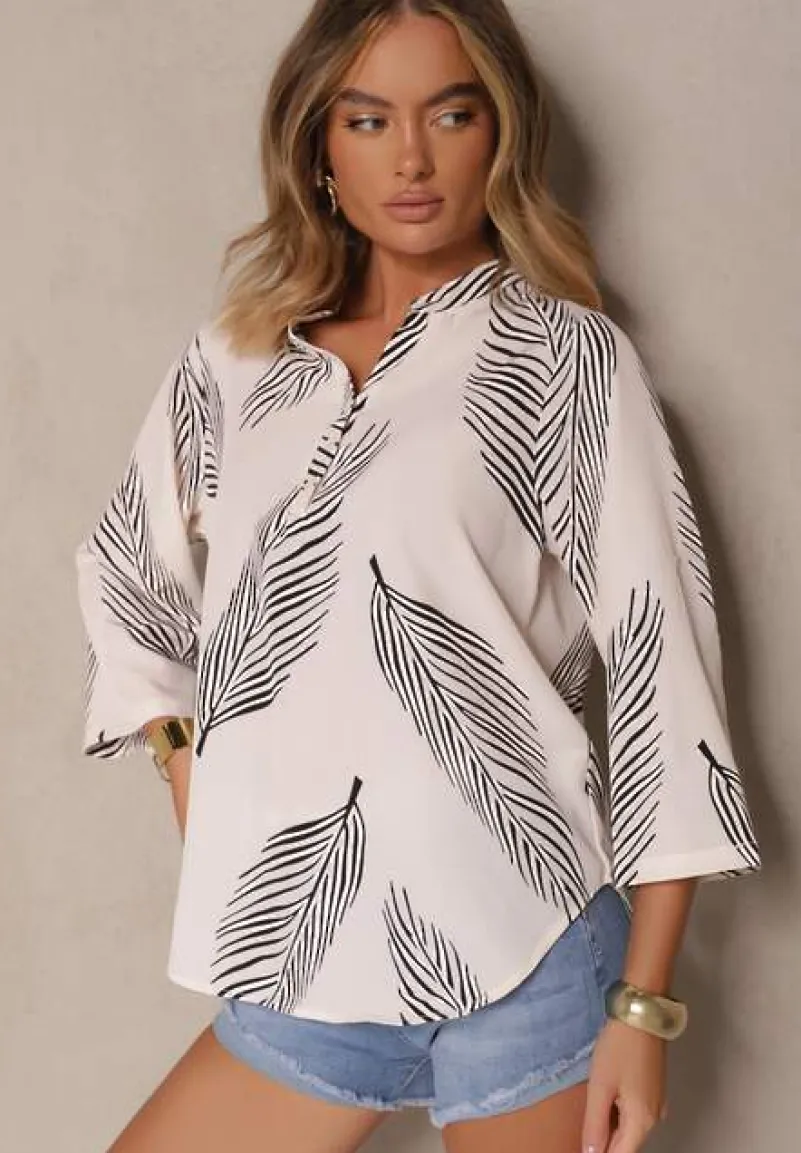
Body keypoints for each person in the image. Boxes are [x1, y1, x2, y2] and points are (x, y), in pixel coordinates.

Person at [74, 1, 763, 1151]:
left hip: (530, 950)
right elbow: (126, 573)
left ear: (501, 134)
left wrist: (643, 1006)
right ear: (318, 146)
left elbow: (662, 667)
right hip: (302, 949)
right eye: (367, 119)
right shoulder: (236, 359)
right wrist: (191, 767)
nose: (410, 158)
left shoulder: (566, 358)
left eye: (451, 114)